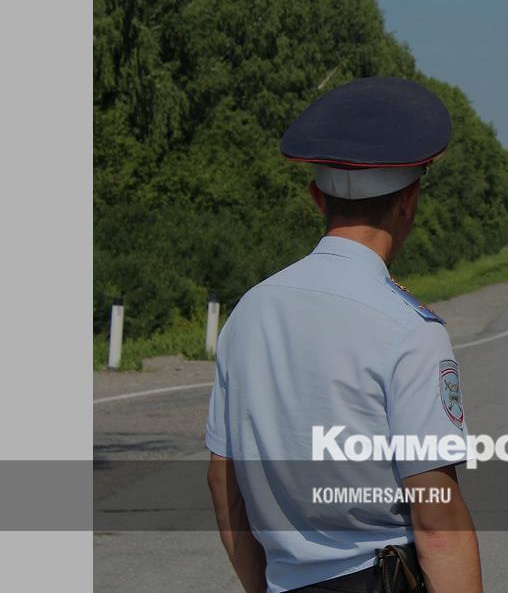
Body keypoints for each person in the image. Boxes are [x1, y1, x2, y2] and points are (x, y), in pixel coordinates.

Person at [205, 77, 483, 593]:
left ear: (317, 197)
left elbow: (224, 484)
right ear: (409, 201)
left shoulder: (248, 312)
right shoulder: (410, 331)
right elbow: (437, 525)